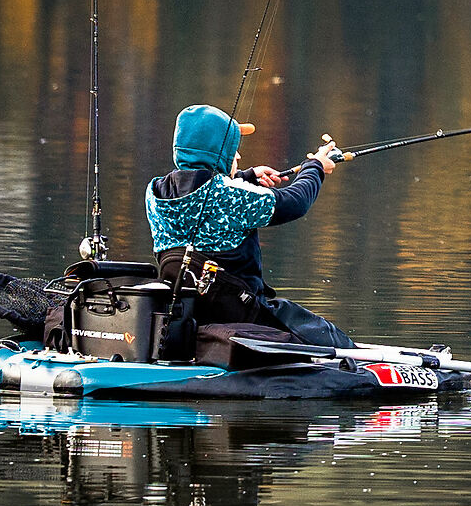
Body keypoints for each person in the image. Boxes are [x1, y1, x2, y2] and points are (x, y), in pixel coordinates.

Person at [144, 103, 352, 349]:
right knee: (331, 337)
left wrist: (247, 176)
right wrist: (315, 167)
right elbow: (295, 202)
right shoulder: (230, 197)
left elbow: (199, 191)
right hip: (243, 313)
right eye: (233, 149)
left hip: (188, 311)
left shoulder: (155, 192)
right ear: (217, 153)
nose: (238, 156)